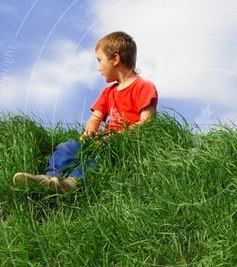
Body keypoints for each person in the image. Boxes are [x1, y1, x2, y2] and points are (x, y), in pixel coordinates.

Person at [12, 31, 158, 192]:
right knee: (68, 147)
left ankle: (71, 183)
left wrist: (115, 138)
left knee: (99, 158)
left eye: (100, 60)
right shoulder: (108, 92)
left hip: (123, 146)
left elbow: (147, 123)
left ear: (115, 59)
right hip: (101, 141)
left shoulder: (144, 86)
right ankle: (48, 177)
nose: (98, 67)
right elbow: (95, 118)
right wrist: (88, 134)